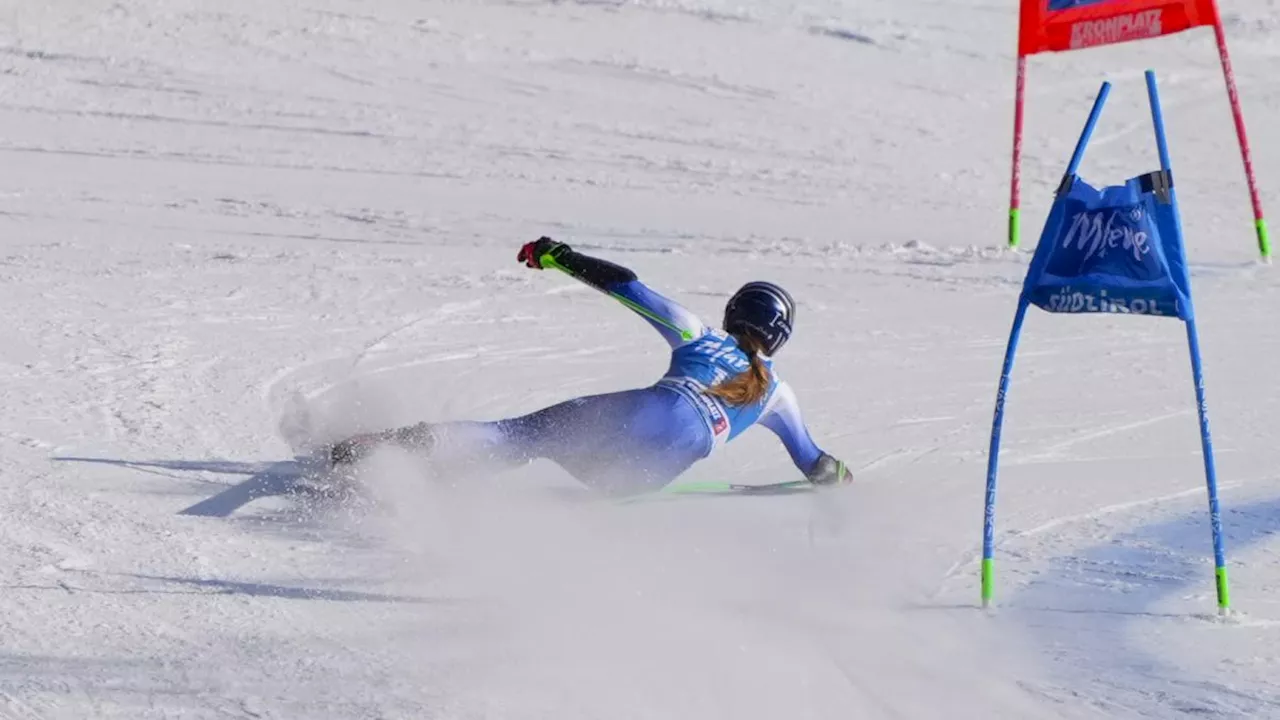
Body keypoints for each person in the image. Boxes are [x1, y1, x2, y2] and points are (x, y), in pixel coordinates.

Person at [327, 236, 853, 495]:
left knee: (519, 436)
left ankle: (394, 451)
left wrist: (556, 253)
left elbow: (627, 285)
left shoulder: (700, 332)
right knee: (554, 457)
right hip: (646, 476)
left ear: (733, 312)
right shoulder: (779, 394)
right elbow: (817, 465)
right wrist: (847, 482)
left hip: (642, 413)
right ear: (780, 338)